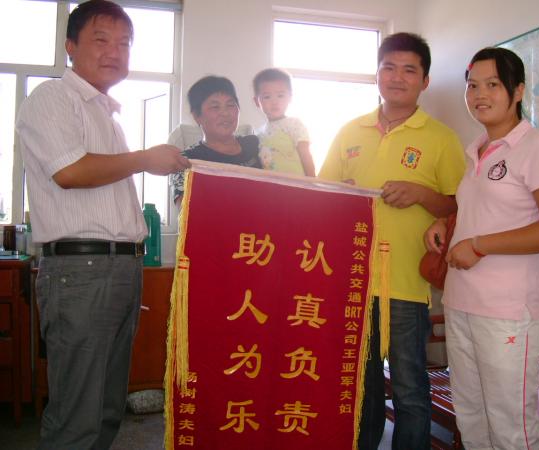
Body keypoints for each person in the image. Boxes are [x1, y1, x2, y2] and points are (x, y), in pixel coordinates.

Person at [15, 1, 190, 448]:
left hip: (119, 269)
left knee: (108, 408)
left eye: (125, 43)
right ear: (70, 46)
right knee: (78, 416)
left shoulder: (106, 114)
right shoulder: (53, 98)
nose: (115, 51)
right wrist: (145, 159)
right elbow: (69, 171)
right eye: (101, 39)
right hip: (82, 271)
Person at [319, 32, 465, 449]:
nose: (397, 77)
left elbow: (459, 204)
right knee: (361, 387)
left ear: (425, 81)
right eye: (389, 67)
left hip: (406, 285)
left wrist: (421, 194)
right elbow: (321, 194)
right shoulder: (350, 131)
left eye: (409, 70)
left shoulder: (441, 138)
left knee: (409, 388)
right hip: (354, 282)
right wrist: (340, 192)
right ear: (377, 74)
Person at [424, 47, 539, 449]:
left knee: (511, 427)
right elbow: (484, 212)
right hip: (461, 302)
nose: (479, 94)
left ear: (518, 90)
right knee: (471, 417)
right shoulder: (476, 150)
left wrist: (479, 245)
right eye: (472, 86)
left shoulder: (538, 148)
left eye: (492, 84)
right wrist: (446, 224)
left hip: (506, 312)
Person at [171, 75, 263, 206]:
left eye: (230, 105)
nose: (225, 113)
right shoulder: (187, 160)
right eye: (215, 107)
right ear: (197, 116)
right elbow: (189, 212)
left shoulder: (257, 145)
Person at [253, 68, 316, 176]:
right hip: (271, 185)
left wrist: (312, 182)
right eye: (267, 97)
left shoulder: (294, 124)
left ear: (290, 97)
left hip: (296, 184)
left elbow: (306, 156)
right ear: (257, 101)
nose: (274, 102)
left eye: (280, 95)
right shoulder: (259, 133)